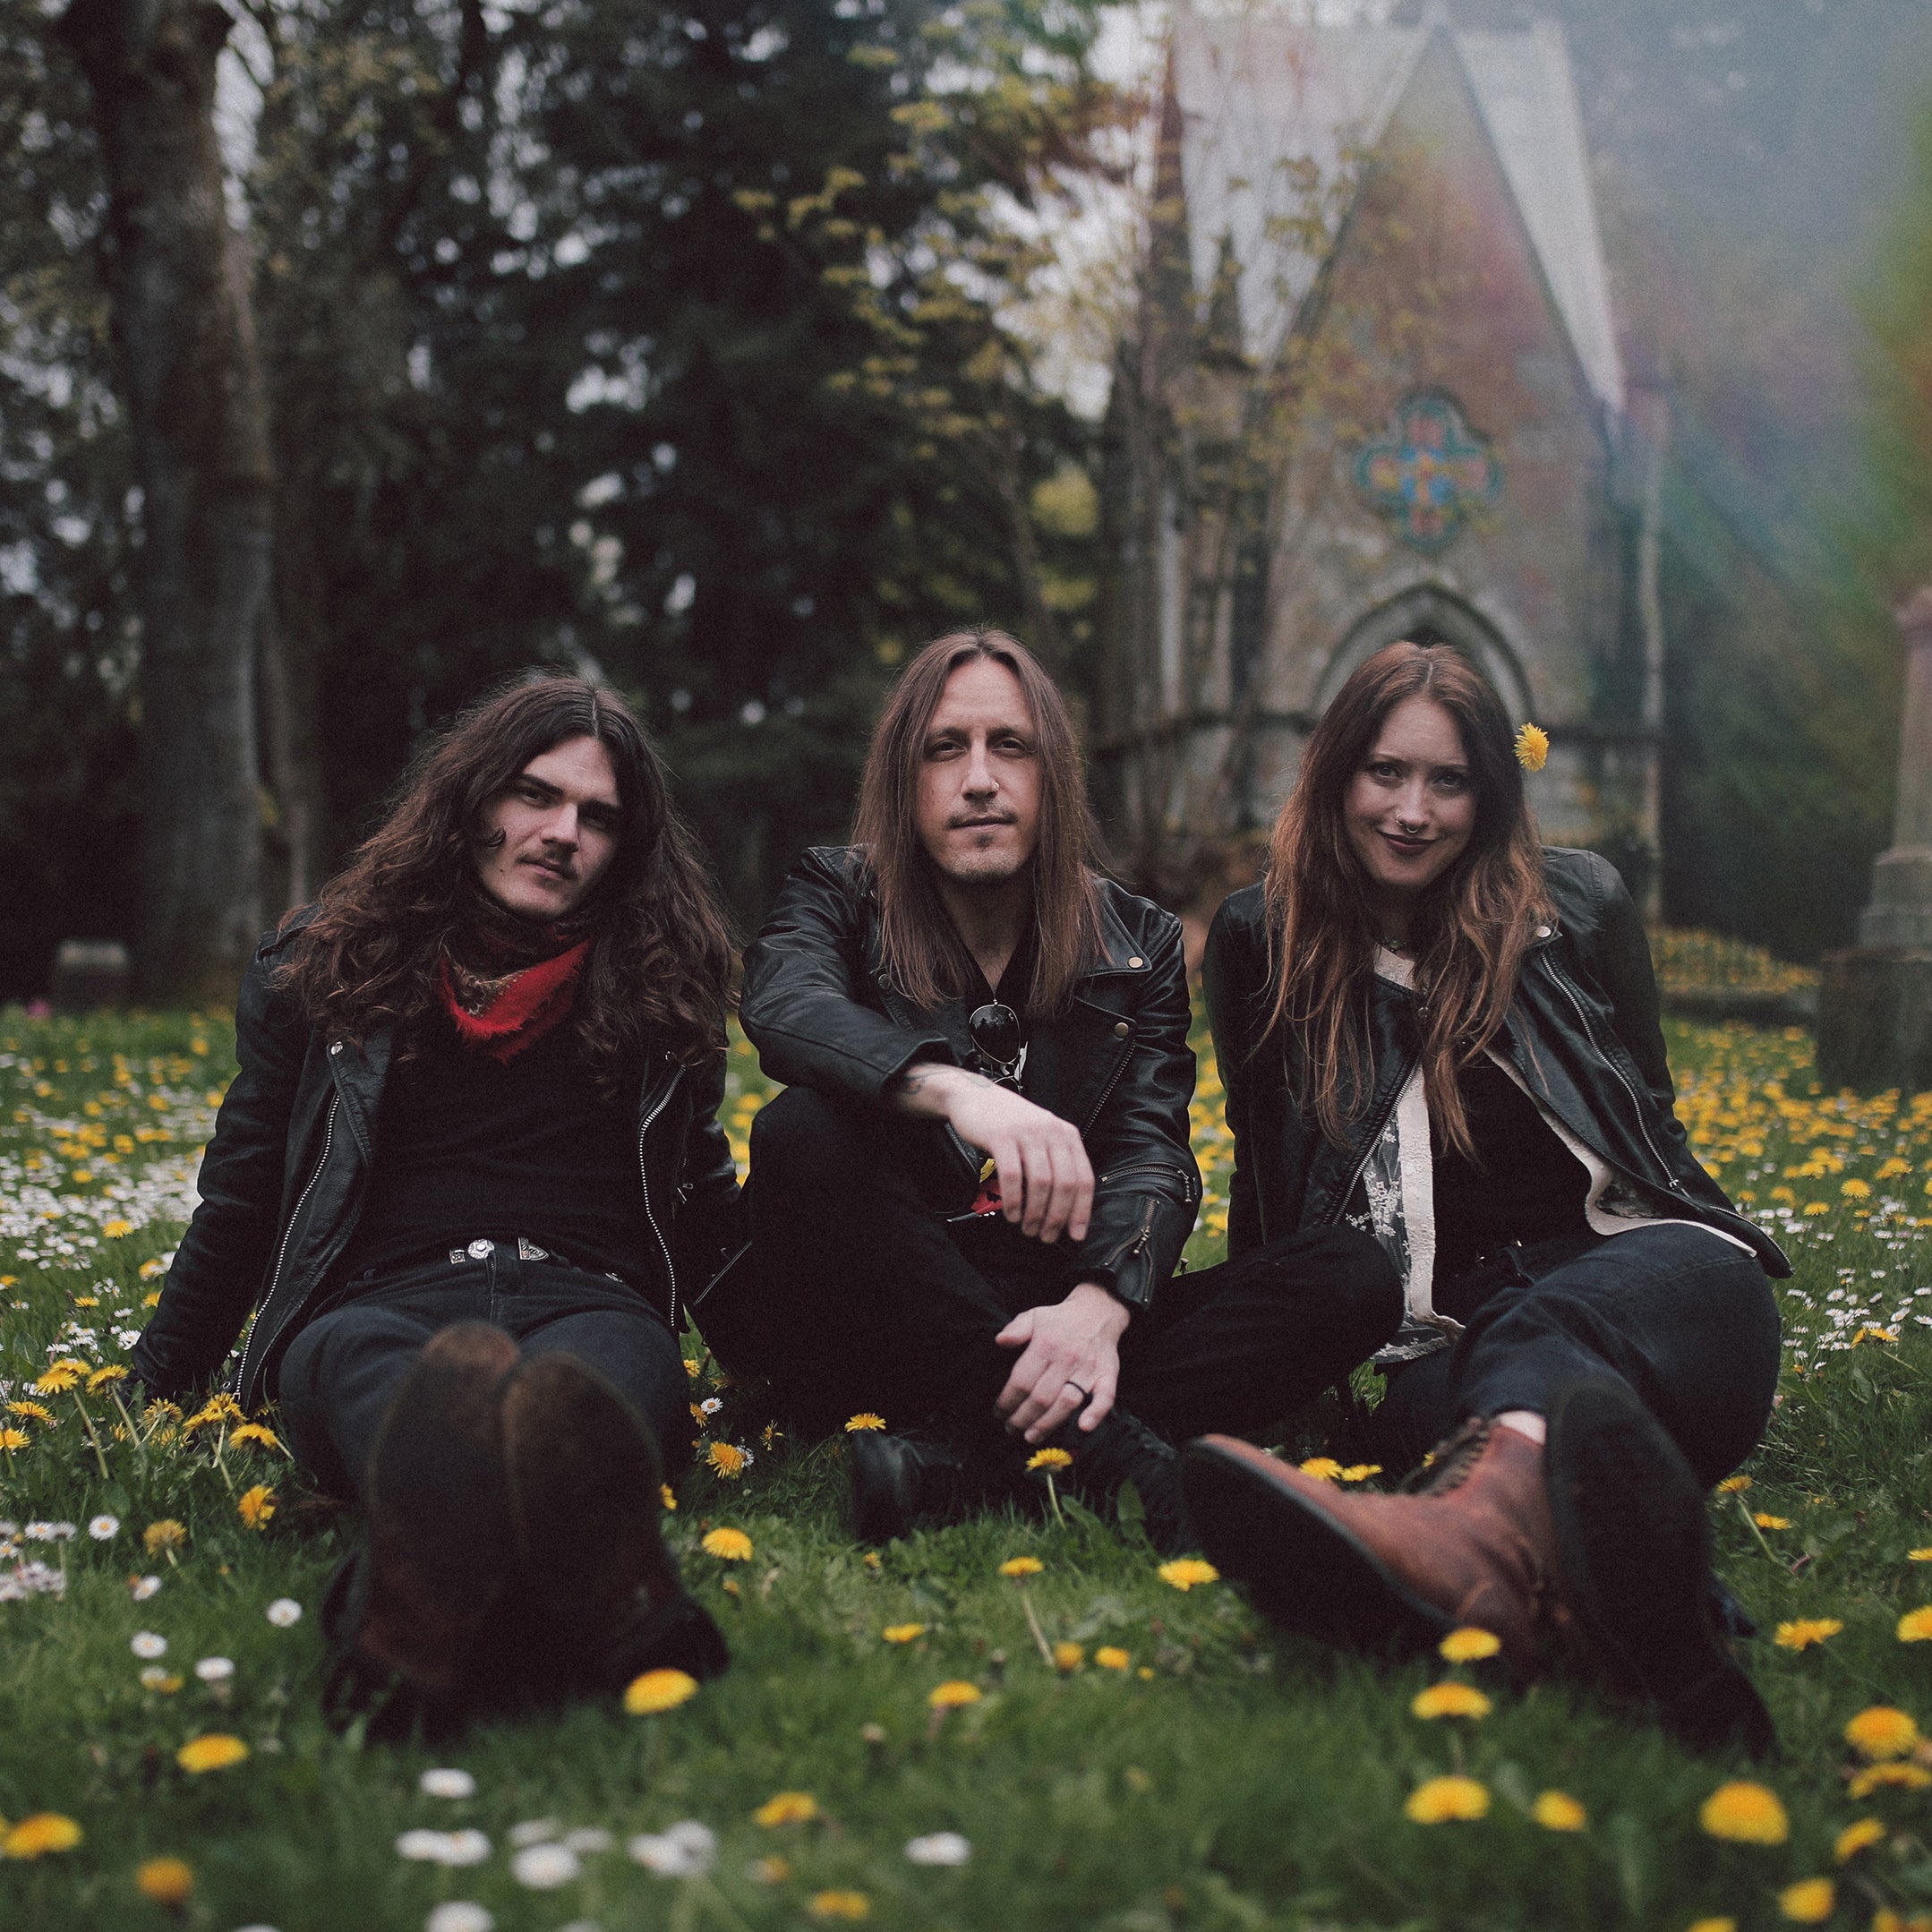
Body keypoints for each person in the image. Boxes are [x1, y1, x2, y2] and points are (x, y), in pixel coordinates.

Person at [1182, 639, 1789, 1753]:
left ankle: (1468, 1536)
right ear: (1333, 774)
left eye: (1447, 780)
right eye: (1384, 772)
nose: (1412, 810)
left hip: (1647, 1284)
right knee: (1442, 1407)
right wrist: (1281, 1365)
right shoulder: (1259, 937)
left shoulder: (1581, 904)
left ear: (1489, 792)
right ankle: (1620, 1608)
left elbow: (1651, 1119)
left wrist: (1679, 1244)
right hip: (1441, 1335)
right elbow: (1264, 1160)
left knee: (1695, 1278)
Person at [697, 628, 1398, 1551]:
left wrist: (1097, 1307)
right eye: (945, 749)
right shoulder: (836, 890)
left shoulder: (1135, 937)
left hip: (1048, 1310)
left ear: (1051, 776)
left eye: (1010, 747)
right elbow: (784, 1004)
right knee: (800, 1132)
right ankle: (1118, 1456)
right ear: (903, 779)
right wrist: (953, 1091)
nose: (979, 779)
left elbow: (1153, 1149)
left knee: (1350, 1277)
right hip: (879, 1312)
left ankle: (957, 1464)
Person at [133, 676, 739, 1720]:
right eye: (534, 795)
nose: (561, 833)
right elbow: (240, 1200)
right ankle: (611, 1599)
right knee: (404, 1387)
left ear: (627, 845)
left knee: (578, 1402)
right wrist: (154, 1384)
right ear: (472, 801)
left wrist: (797, 1376)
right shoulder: (325, 965)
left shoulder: (662, 985)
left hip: (589, 1306)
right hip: (373, 1304)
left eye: (598, 817)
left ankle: (411, 1611)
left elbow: (705, 1206)